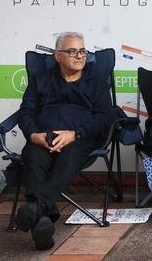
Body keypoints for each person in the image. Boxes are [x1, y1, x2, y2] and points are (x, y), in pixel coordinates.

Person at [16, 32, 113, 250]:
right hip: (44, 136)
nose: (80, 56)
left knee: (69, 154)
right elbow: (26, 113)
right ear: (58, 56)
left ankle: (37, 206)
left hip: (81, 138)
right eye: (73, 51)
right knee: (33, 154)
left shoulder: (96, 82)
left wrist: (74, 134)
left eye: (82, 51)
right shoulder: (41, 79)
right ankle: (42, 221)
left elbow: (104, 118)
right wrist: (34, 135)